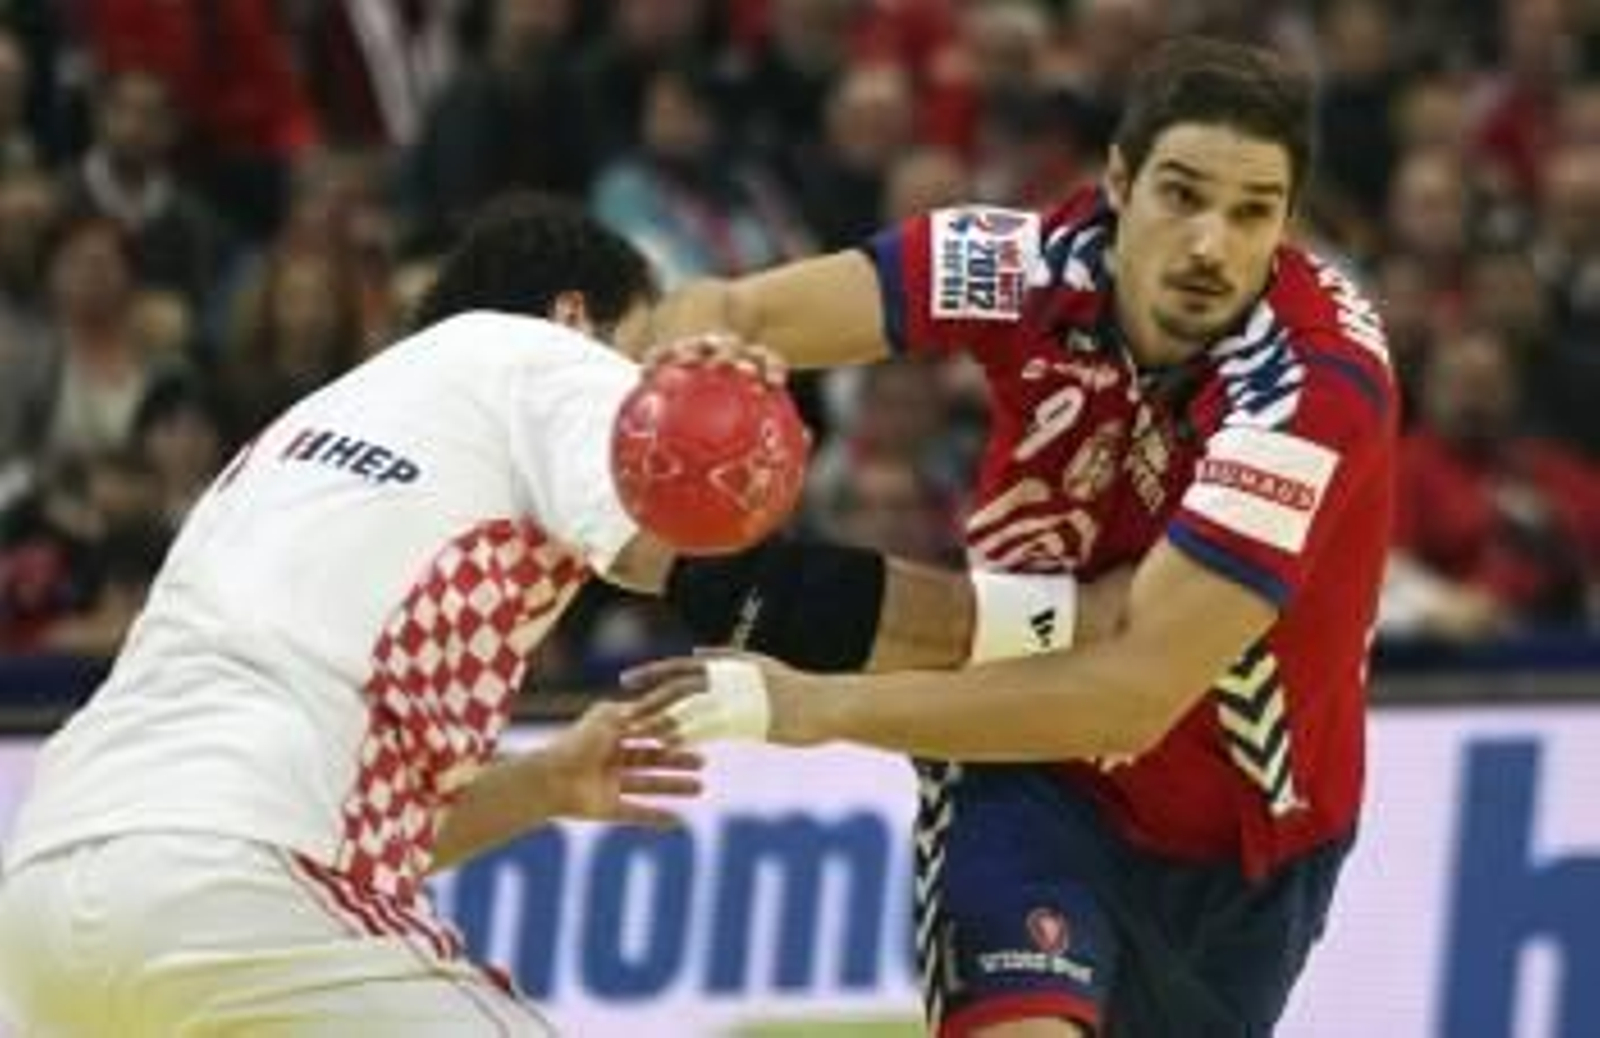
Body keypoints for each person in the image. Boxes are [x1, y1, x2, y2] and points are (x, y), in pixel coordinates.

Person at [0, 192, 1125, 1036]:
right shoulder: (536, 355)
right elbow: (740, 587)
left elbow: (303, 818)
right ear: (582, 315)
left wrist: (540, 785)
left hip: (48, 893)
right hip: (246, 885)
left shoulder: (287, 447)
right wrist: (1055, 622)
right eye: (643, 347)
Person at [620, 37, 1397, 1038]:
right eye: (1181, 194)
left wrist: (814, 707)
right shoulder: (1020, 265)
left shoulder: (1308, 390)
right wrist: (699, 364)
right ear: (1118, 180)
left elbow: (1128, 697)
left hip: (1247, 836)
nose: (1210, 243)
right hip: (1027, 768)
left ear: (1286, 224)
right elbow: (734, 304)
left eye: (1251, 212)